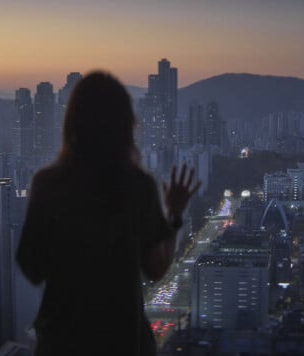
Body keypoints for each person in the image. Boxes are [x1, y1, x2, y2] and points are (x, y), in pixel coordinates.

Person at [16, 71, 200, 355]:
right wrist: (174, 214)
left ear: (72, 123)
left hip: (61, 344)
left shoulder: (48, 184)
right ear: (126, 125)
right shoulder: (138, 186)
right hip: (123, 342)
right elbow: (156, 269)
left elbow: (31, 266)